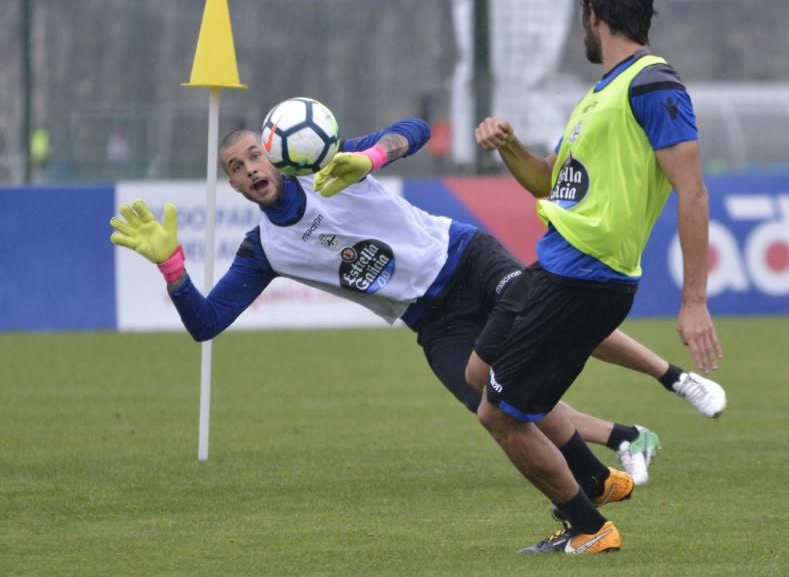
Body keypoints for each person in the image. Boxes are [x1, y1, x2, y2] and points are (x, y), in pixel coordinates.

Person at [109, 117, 725, 497]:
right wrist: (173, 269)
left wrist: (371, 156)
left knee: (550, 321)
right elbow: (205, 324)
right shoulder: (262, 250)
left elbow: (416, 130)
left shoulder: (332, 164)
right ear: (234, 187)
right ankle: (617, 455)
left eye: (253, 156)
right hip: (430, 317)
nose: (249, 169)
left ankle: (673, 379)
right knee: (499, 404)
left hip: (465, 258)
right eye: (235, 169)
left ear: (275, 152)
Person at [470, 0, 724, 554]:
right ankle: (601, 475)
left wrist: (695, 302)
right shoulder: (597, 97)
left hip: (585, 279)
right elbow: (548, 182)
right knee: (480, 374)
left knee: (500, 414)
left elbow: (693, 191)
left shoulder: (653, 85)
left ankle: (589, 527)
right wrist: (508, 146)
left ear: (594, 14)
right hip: (553, 265)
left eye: (581, 16)